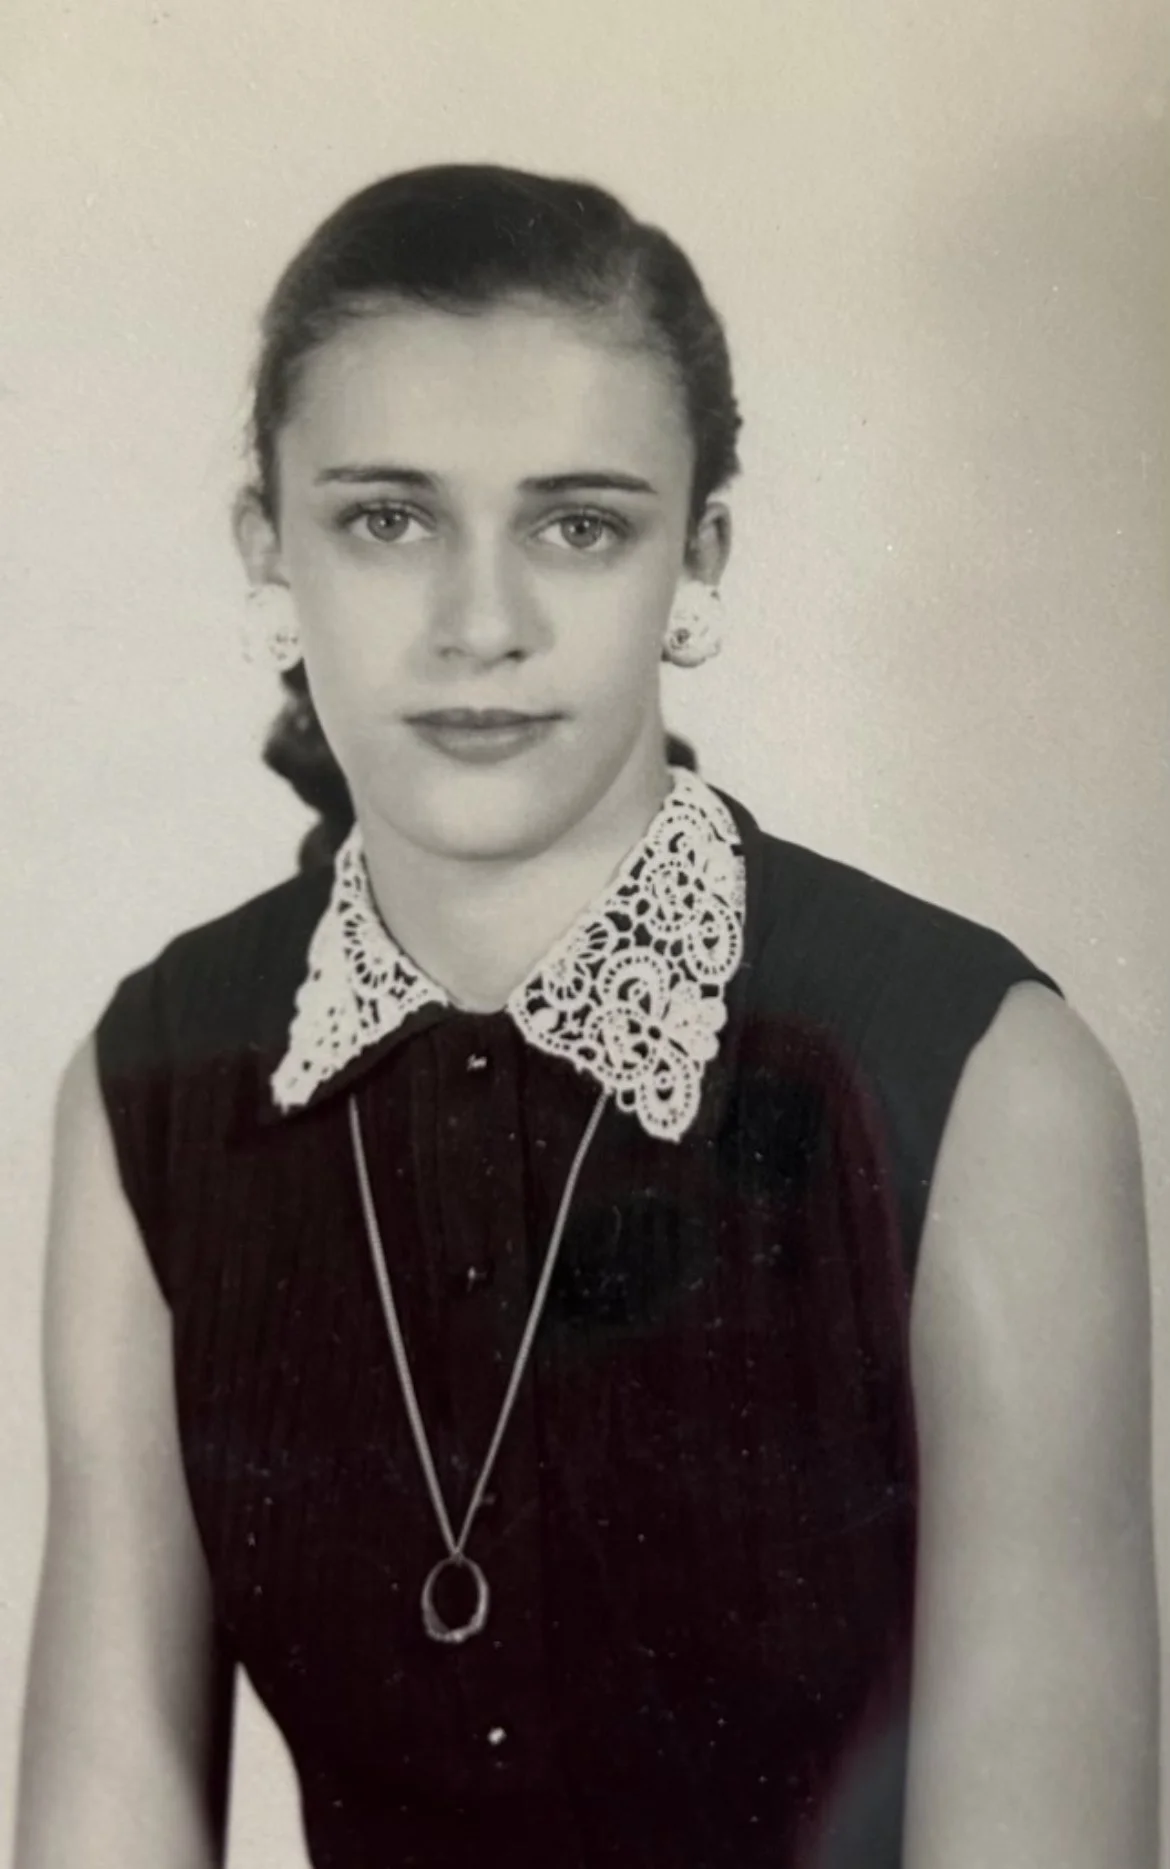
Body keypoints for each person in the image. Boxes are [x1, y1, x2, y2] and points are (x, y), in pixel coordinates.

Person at [15, 165, 1157, 1869]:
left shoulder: (973, 1080)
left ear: (695, 551)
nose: (483, 628)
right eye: (387, 519)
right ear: (269, 543)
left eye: (579, 524)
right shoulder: (154, 1088)